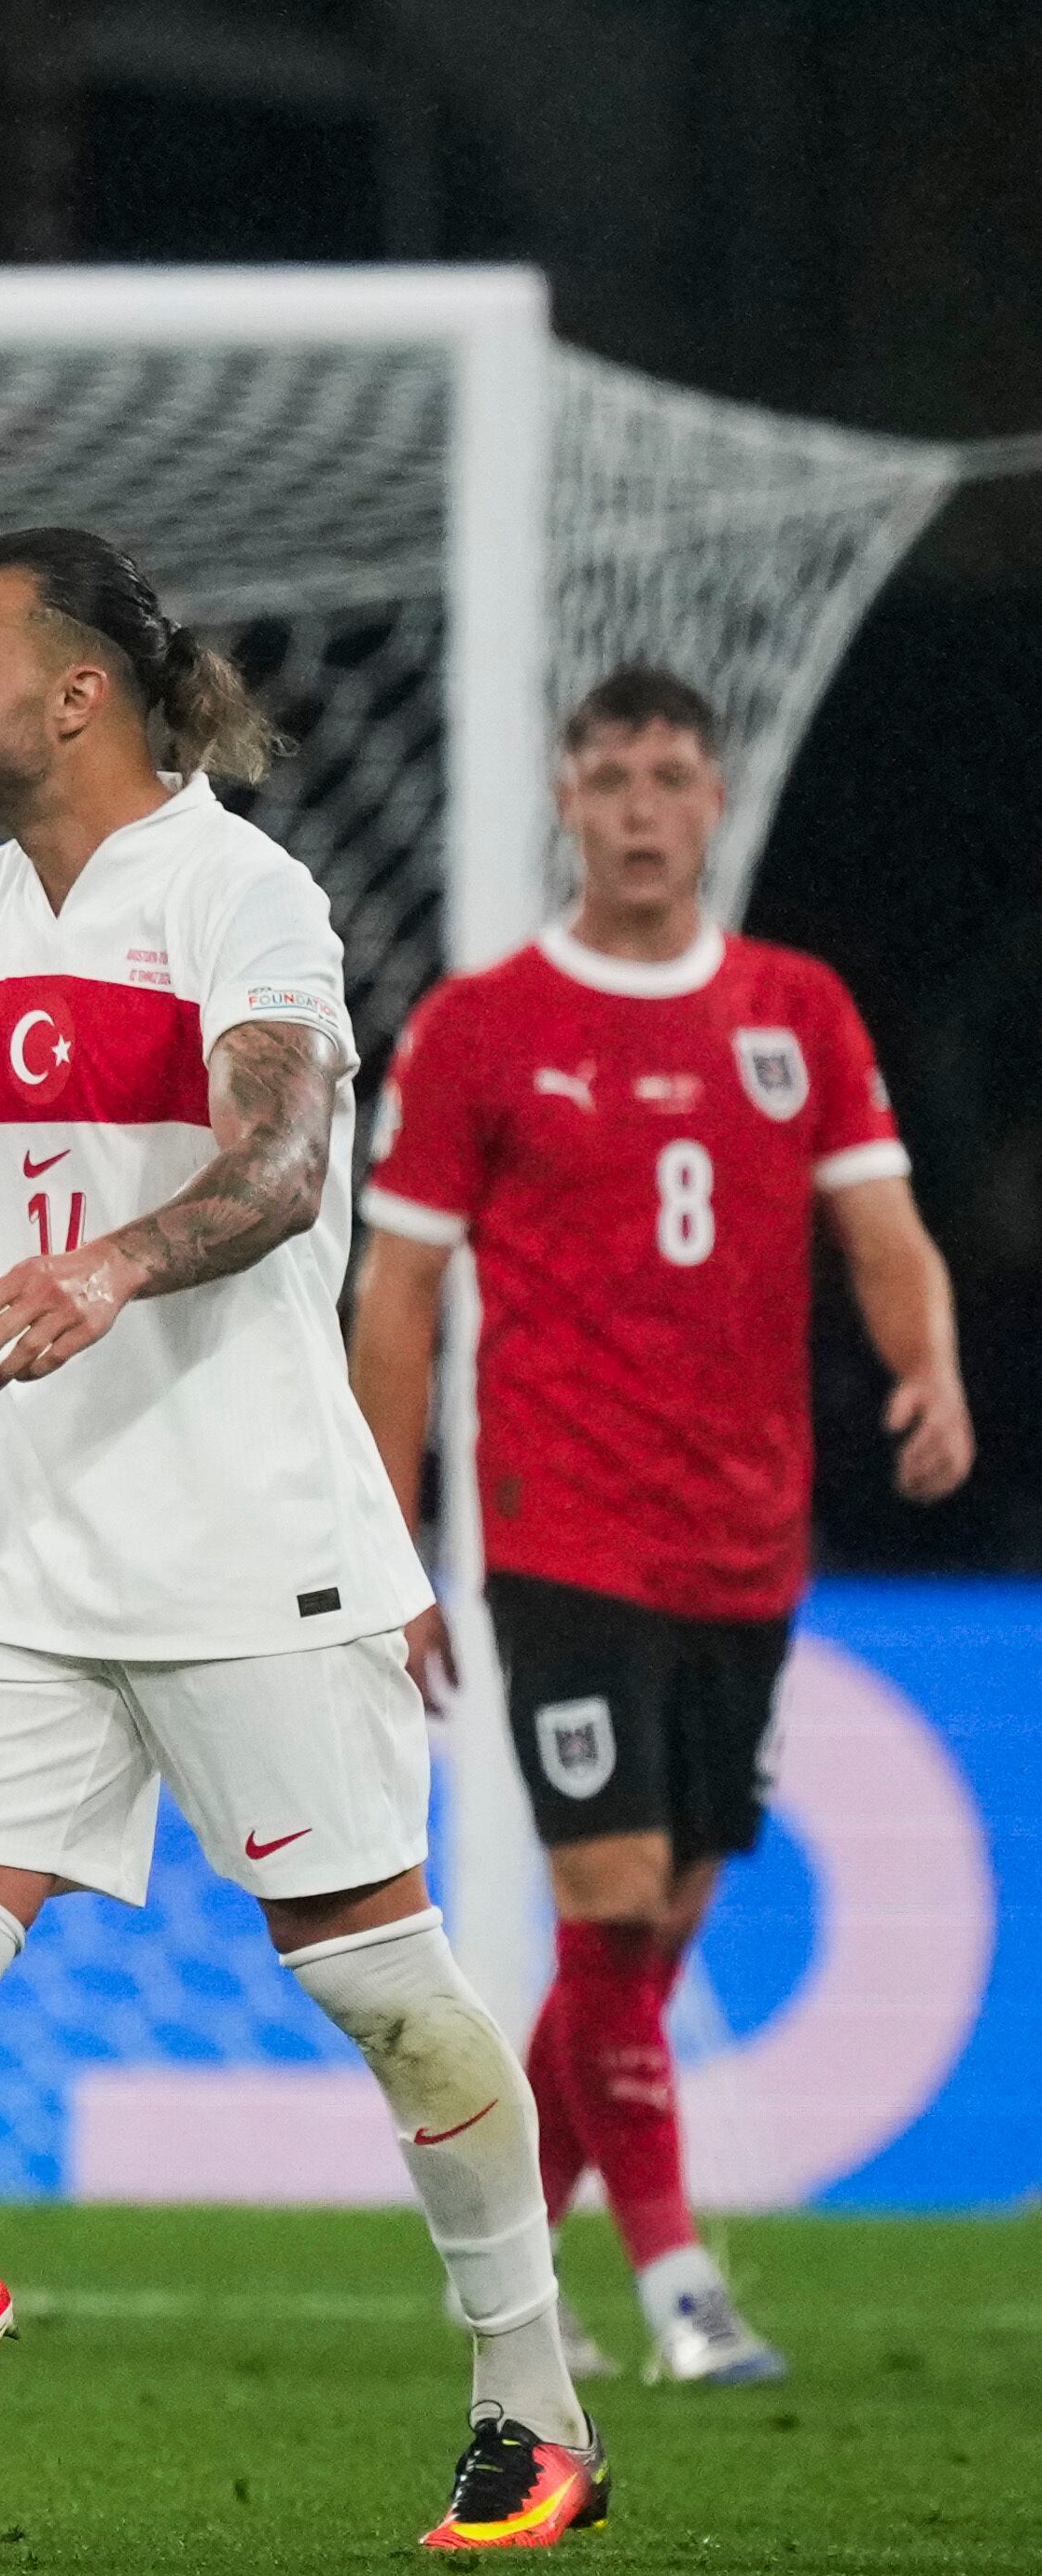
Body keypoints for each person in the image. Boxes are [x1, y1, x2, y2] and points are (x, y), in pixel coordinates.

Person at [0, 526, 602, 2553]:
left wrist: (103, 1268)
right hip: (28, 1532)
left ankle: (532, 2397)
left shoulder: (241, 892)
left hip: (247, 1529)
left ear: (72, 691)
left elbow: (276, 1155)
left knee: (384, 1989)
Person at [349, 664, 971, 2388]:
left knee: (654, 1924)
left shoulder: (798, 1012)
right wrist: (394, 1541)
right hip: (561, 1531)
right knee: (608, 1903)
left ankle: (514, 2253)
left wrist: (930, 1368)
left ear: (711, 800)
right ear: (568, 800)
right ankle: (683, 2285)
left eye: (669, 775)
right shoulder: (483, 1025)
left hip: (746, 1544)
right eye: (609, 774)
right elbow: (395, 1297)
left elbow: (886, 1225)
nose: (638, 805)